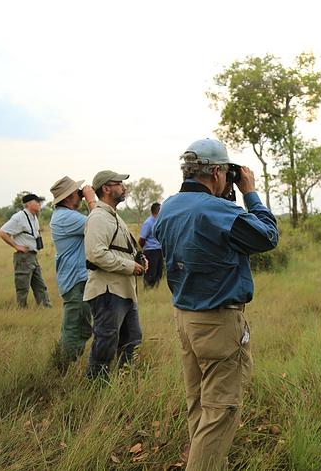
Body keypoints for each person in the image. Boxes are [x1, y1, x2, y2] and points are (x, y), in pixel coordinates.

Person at [154, 139, 279, 470]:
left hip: (186, 319)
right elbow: (267, 237)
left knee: (199, 404)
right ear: (218, 172)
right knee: (221, 410)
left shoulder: (169, 207)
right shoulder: (218, 211)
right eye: (227, 173)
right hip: (218, 323)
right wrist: (250, 192)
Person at [83, 170, 146, 379]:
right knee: (106, 342)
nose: (123, 187)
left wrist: (139, 258)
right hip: (108, 290)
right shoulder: (99, 217)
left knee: (132, 340)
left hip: (124, 290)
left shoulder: (114, 216)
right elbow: (95, 253)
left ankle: (125, 383)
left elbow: (124, 248)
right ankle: (96, 387)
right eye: (118, 183)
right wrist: (130, 266)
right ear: (106, 188)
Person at [49, 176, 98, 368]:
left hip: (75, 279)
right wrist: (91, 199)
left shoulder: (64, 215)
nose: (80, 196)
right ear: (69, 197)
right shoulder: (66, 217)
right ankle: (62, 369)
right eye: (78, 193)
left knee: (80, 328)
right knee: (75, 328)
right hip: (76, 280)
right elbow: (99, 224)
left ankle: (63, 366)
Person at [0, 193, 52, 308]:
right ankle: (21, 310)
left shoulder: (34, 217)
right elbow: (2, 232)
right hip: (23, 257)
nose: (39, 203)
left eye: (39, 201)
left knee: (40, 285)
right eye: (36, 201)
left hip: (32, 256)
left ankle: (46, 307)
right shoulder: (19, 217)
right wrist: (17, 246)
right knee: (23, 287)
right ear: (28, 204)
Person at [138, 202, 164, 289]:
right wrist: (144, 250)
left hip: (159, 250)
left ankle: (155, 290)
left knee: (158, 272)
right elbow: (142, 239)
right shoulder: (148, 223)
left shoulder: (159, 222)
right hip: (150, 251)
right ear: (157, 211)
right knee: (150, 273)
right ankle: (148, 290)